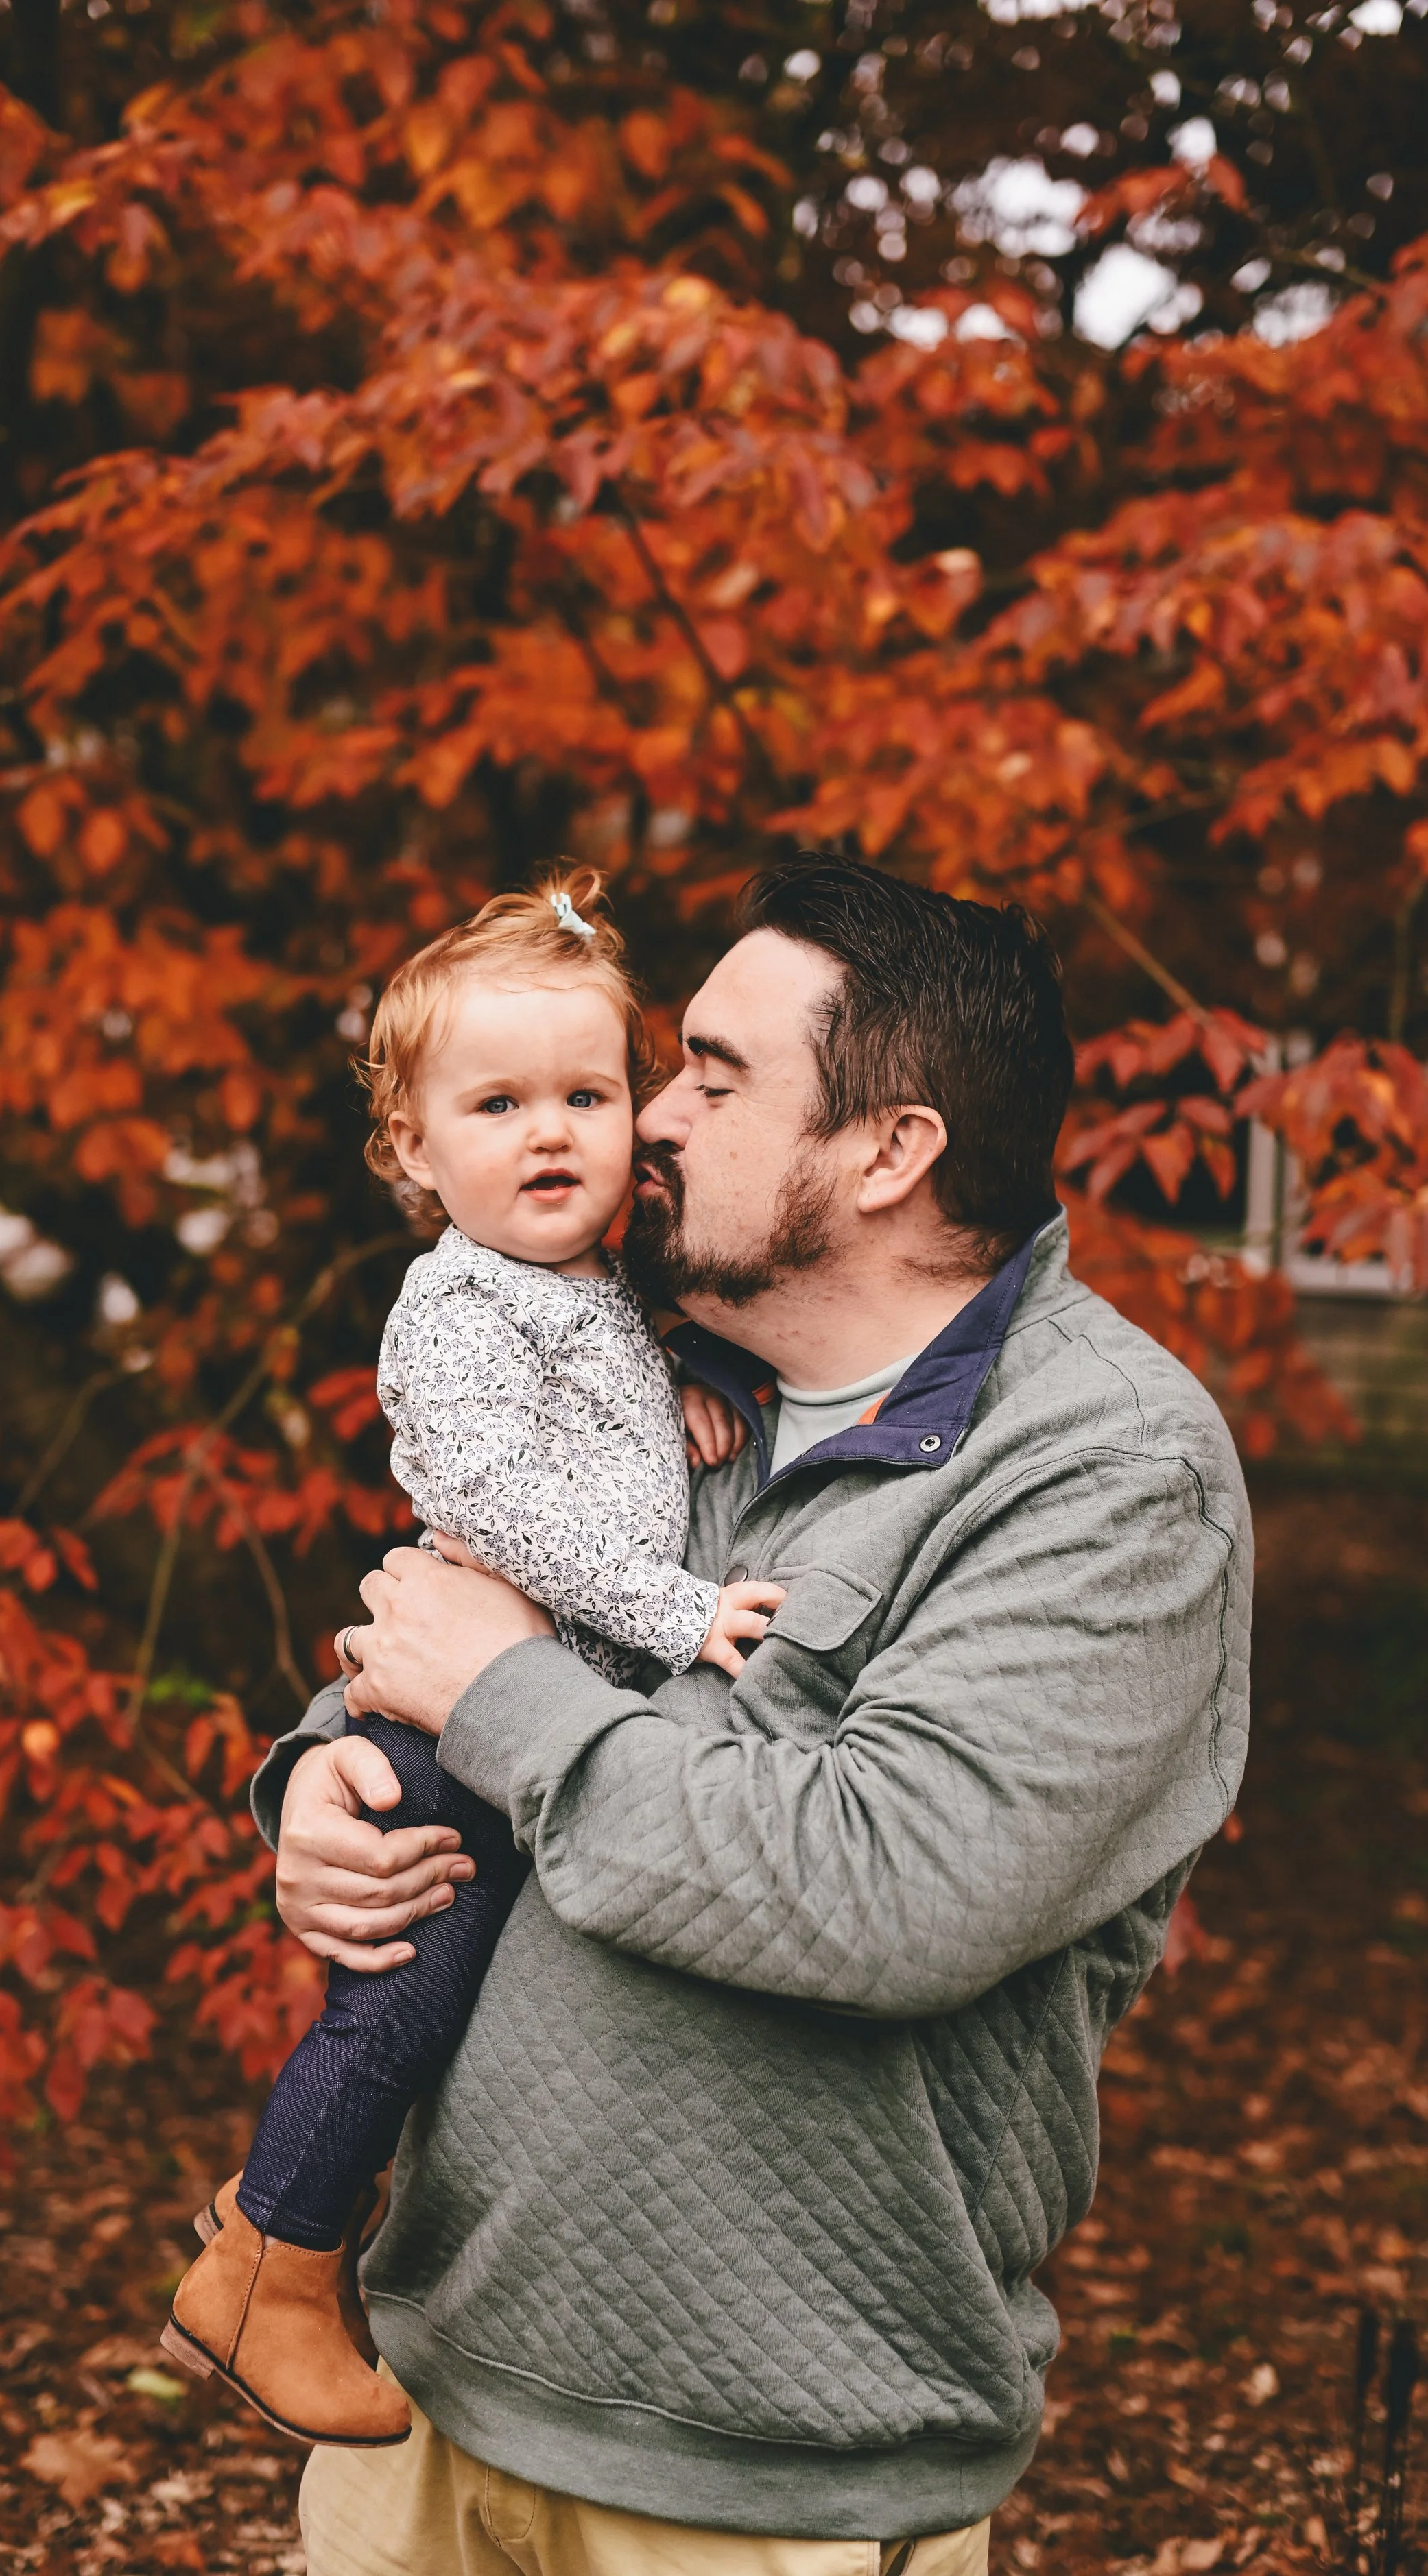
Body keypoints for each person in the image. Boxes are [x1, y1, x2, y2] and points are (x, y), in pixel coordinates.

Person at [257, 856, 1254, 2575]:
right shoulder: (670, 1375)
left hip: (759, 2474)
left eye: (711, 1077)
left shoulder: (1104, 1474)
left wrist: (492, 1697)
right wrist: (317, 1782)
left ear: (886, 1151)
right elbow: (464, 1628)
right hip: (429, 2399)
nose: (646, 1117)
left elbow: (884, 1890)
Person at [162, 869, 767, 2447]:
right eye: (496, 1104)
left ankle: (303, 2255)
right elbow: (492, 1507)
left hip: (521, 1713)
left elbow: (604, 1424)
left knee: (438, 2003)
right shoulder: (453, 1304)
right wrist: (675, 1611)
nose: (552, 1132)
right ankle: (264, 2265)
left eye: (588, 1091)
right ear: (414, 1153)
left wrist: (681, 1385)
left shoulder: (599, 1297)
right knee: (400, 2004)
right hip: (461, 1729)